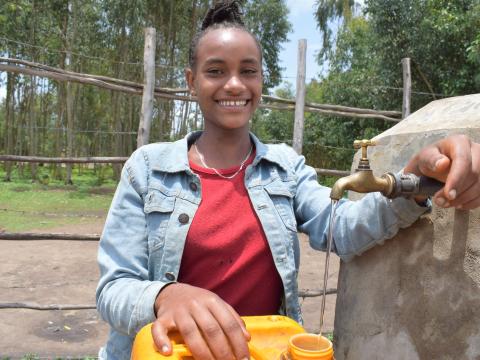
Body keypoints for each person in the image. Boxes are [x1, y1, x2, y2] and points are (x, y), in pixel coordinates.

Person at [96, 1, 480, 359]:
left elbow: (342, 229)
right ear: (191, 81)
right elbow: (114, 289)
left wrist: (413, 177)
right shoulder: (147, 169)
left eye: (248, 70)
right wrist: (166, 295)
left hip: (262, 350)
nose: (234, 84)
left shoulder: (285, 169)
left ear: (261, 80)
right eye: (215, 71)